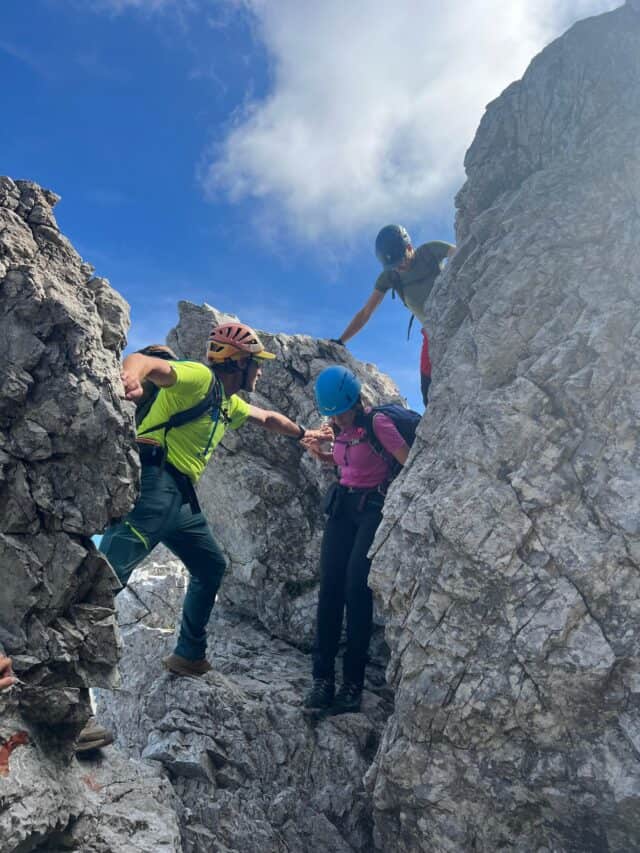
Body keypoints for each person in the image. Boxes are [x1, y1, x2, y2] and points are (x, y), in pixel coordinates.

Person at [78, 321, 326, 751]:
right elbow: (152, 365)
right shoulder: (200, 377)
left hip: (182, 502)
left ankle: (189, 654)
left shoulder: (227, 403)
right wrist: (131, 373)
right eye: (257, 365)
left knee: (211, 566)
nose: (261, 373)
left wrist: (305, 435)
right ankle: (69, 709)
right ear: (239, 363)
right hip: (154, 488)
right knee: (102, 583)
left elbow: (267, 417)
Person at [301, 366, 409, 715]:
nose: (338, 421)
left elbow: (407, 460)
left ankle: (352, 683)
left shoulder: (377, 423)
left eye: (342, 413)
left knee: (355, 590)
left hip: (371, 508)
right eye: (332, 415)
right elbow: (347, 460)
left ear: (355, 402)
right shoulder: (338, 427)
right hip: (343, 507)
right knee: (330, 589)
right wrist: (325, 454)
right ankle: (322, 680)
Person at [331, 224, 455, 408]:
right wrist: (341, 341)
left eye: (401, 261)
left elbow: (463, 254)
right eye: (393, 265)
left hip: (456, 318)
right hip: (431, 334)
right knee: (429, 394)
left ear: (410, 248)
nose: (398, 267)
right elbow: (366, 313)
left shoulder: (430, 251)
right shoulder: (389, 277)